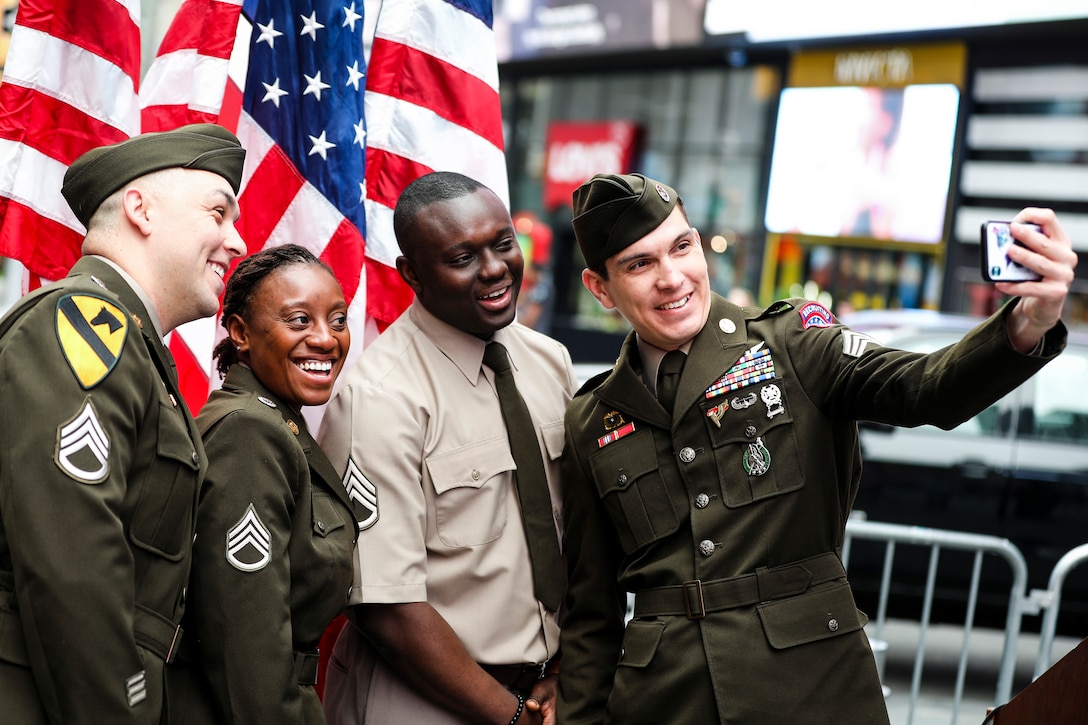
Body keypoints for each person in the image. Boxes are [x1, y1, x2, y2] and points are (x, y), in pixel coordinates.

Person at [557, 172, 1078, 724]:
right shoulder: (592, 418)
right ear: (600, 288)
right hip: (664, 703)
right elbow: (592, 617)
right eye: (640, 264)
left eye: (681, 247)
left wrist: (1028, 320)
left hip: (814, 690)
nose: (671, 278)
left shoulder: (793, 344)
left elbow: (926, 388)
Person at [0, 124, 247, 724]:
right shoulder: (81, 322)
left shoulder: (132, 346)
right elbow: (73, 566)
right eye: (217, 213)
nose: (235, 240)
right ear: (140, 208)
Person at [318, 171, 576, 725]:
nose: (493, 269)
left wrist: (563, 673)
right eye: (461, 257)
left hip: (547, 693)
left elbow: (572, 537)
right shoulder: (379, 400)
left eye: (503, 244)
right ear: (412, 273)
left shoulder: (548, 361)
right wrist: (510, 717)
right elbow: (387, 608)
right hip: (422, 703)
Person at [168, 245, 361, 724]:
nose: (326, 339)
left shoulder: (278, 423)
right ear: (240, 333)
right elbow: (248, 644)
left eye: (338, 320)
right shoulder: (248, 433)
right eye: (299, 320)